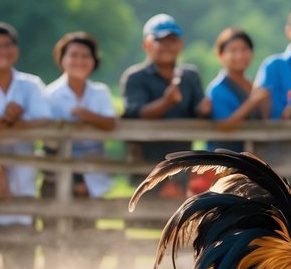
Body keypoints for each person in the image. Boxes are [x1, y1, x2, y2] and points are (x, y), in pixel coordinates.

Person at [0, 22, 51, 228]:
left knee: (23, 238)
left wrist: (16, 121)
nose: (2, 51)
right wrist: (10, 121)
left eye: (7, 45)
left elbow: (44, 120)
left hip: (24, 174)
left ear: (16, 50)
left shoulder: (31, 85)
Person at [121, 13, 210, 196]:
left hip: (182, 161)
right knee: (146, 218)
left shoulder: (190, 75)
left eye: (172, 40)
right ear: (146, 44)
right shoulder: (135, 77)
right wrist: (166, 102)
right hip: (146, 163)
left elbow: (198, 112)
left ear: (181, 44)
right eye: (160, 41)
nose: (166, 46)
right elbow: (136, 113)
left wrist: (204, 110)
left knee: (180, 219)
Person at [43, 32, 116, 204]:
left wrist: (86, 115)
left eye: (85, 56)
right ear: (62, 59)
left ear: (94, 61)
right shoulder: (50, 95)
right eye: (73, 55)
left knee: (88, 226)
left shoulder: (100, 92)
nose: (79, 61)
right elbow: (48, 142)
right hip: (58, 173)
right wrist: (75, 179)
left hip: (93, 173)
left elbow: (111, 123)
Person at [207, 27, 269, 152]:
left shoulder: (253, 85)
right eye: (233, 50)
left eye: (244, 49)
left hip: (251, 158)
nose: (239, 55)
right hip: (223, 159)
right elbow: (225, 125)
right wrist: (252, 102)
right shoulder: (217, 89)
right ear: (220, 55)